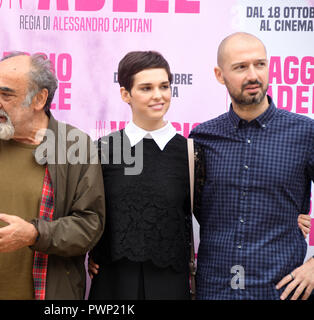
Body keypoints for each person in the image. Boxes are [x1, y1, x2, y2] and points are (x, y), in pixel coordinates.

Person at [0, 52, 105, 300]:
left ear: (39, 99)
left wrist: (35, 235)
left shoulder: (75, 146)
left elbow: (90, 225)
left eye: (6, 94)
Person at [189, 32, 314, 300]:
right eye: (240, 67)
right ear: (219, 75)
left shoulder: (305, 133)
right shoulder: (202, 138)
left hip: (280, 289)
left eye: (260, 64)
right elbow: (183, 208)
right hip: (215, 289)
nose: (253, 75)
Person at [88, 51, 195, 299]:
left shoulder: (190, 153)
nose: (158, 95)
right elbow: (87, 212)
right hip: (112, 283)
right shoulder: (102, 150)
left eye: (164, 86)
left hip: (171, 284)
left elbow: (217, 213)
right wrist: (89, 251)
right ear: (126, 94)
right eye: (146, 88)